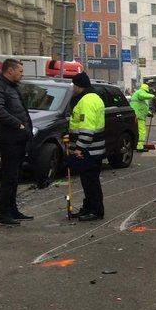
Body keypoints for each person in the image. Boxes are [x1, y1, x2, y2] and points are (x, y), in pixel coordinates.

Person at [0, 58, 33, 225]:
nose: (22, 74)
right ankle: (4, 213)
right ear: (10, 70)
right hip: (9, 139)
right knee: (9, 177)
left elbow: (20, 109)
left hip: (19, 139)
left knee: (15, 176)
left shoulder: (12, 87)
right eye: (20, 71)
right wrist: (18, 124)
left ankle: (13, 209)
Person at [68, 72, 107, 221]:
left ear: (79, 86)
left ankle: (96, 211)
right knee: (89, 181)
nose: (73, 88)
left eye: (74, 85)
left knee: (90, 182)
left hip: (88, 150)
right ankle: (88, 208)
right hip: (93, 148)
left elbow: (87, 128)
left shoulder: (86, 101)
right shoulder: (93, 97)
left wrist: (79, 147)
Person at [130, 82, 154, 151]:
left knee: (137, 131)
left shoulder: (140, 94)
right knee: (142, 131)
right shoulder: (140, 92)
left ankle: (136, 145)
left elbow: (143, 106)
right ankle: (140, 147)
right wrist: (153, 96)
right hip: (139, 116)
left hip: (138, 115)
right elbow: (143, 95)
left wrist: (148, 113)